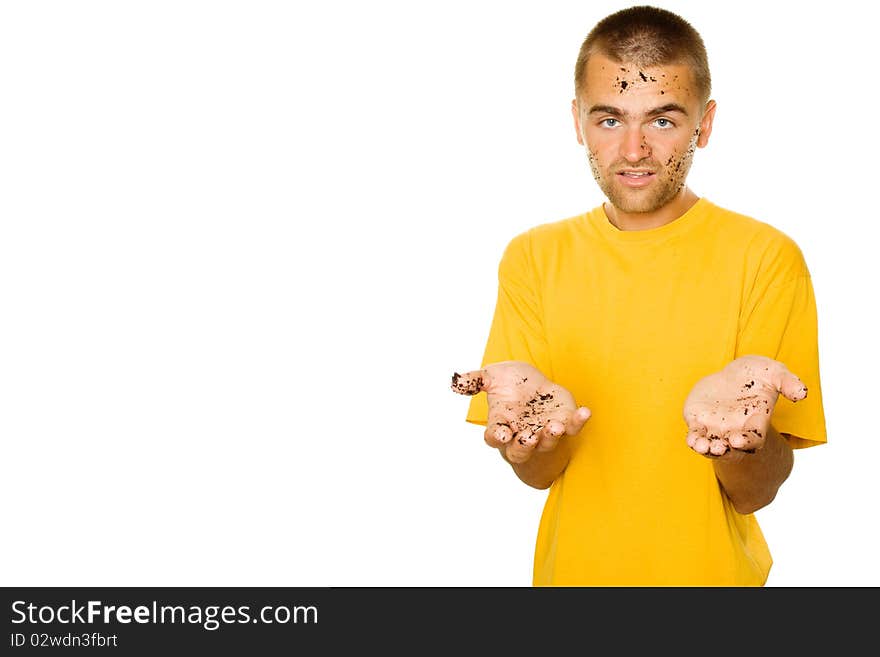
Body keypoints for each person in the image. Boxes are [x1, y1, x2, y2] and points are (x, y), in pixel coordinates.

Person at [451, 5, 826, 586]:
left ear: (704, 124)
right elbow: (542, 474)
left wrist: (735, 441)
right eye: (608, 120)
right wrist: (528, 441)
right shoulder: (532, 258)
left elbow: (759, 491)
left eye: (661, 121)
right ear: (577, 121)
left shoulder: (767, 258)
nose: (632, 150)